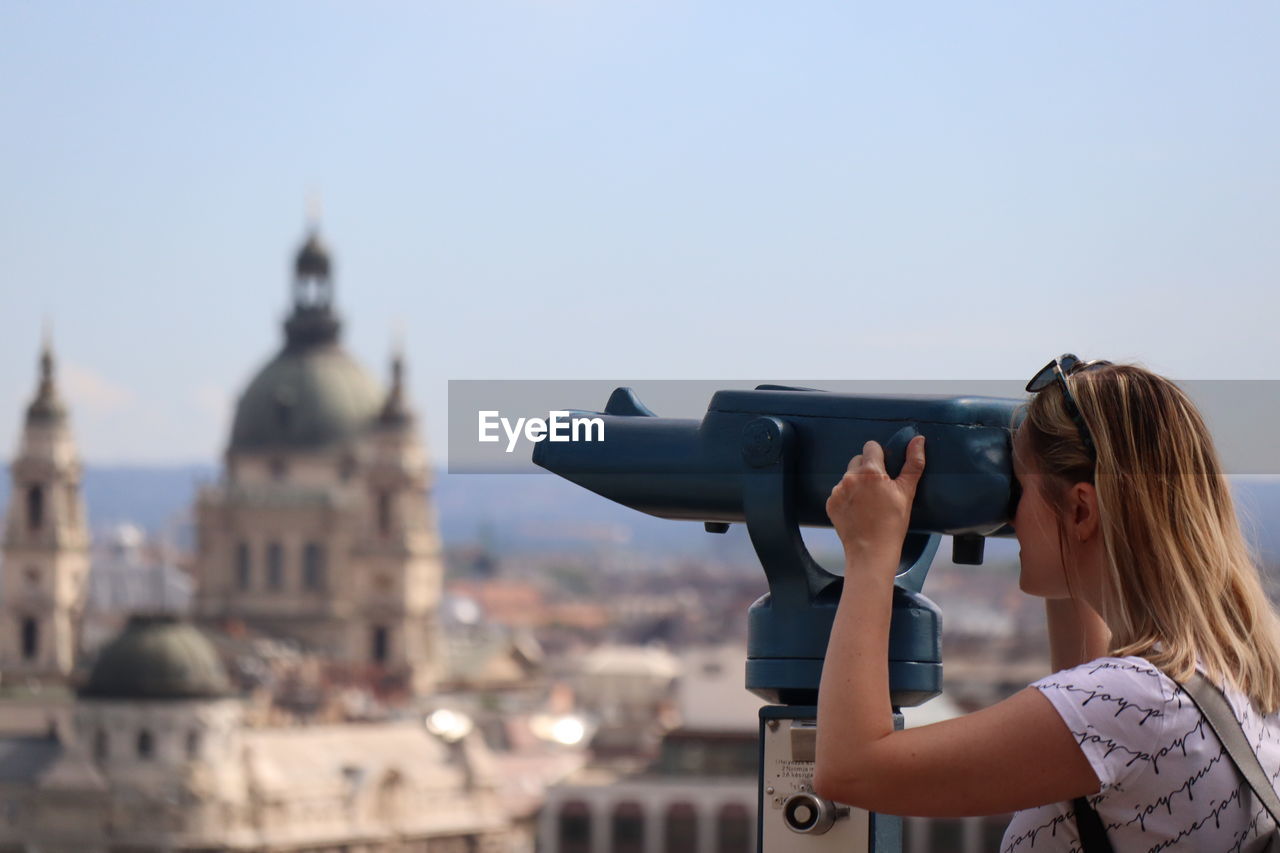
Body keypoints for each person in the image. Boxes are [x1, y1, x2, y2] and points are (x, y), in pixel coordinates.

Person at [814, 356, 1280, 852]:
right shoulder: (1230, 679)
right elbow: (1089, 694)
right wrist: (1054, 509)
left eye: (1019, 487)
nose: (1008, 513)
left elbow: (852, 769)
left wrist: (869, 553)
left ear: (1081, 508)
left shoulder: (1133, 704)